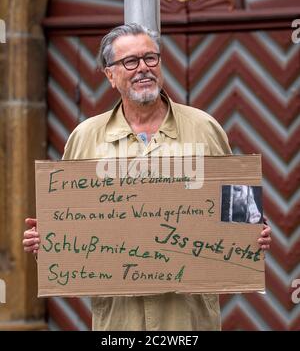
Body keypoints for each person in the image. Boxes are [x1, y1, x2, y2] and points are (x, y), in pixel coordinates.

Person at [23, 23, 272, 331]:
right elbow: (67, 227)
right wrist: (46, 242)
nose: (143, 68)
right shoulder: (85, 138)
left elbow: (241, 215)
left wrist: (253, 234)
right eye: (131, 61)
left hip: (189, 321)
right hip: (119, 322)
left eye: (151, 58)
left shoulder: (205, 128)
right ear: (110, 75)